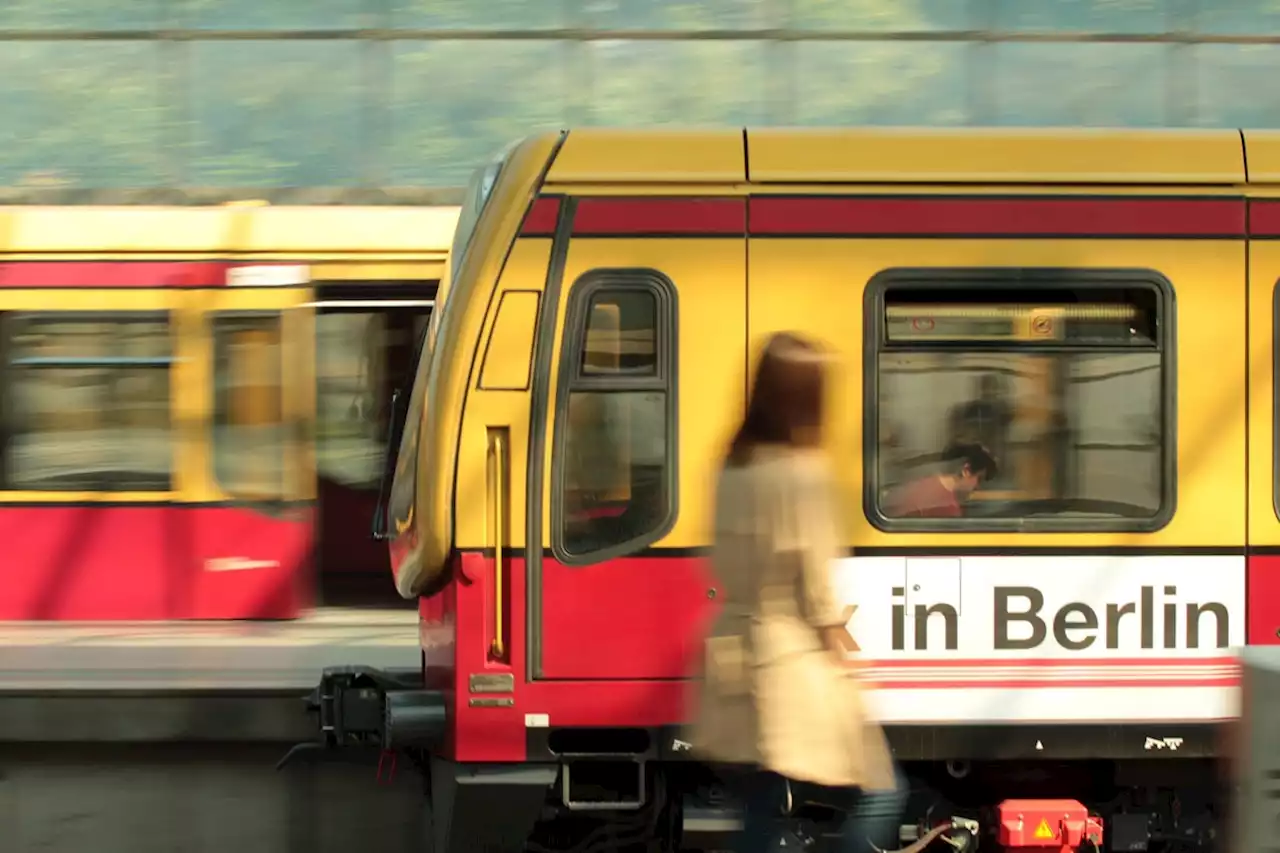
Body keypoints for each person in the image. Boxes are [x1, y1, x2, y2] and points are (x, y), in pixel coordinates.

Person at [685, 332, 907, 853]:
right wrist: (841, 652)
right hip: (790, 664)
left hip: (733, 658)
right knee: (882, 791)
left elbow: (714, 560)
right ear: (808, 395)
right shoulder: (802, 473)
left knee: (761, 808)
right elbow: (816, 583)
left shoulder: (732, 467)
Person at [882, 443, 998, 519]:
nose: (978, 487)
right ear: (966, 471)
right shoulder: (947, 508)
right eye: (979, 479)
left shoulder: (925, 483)